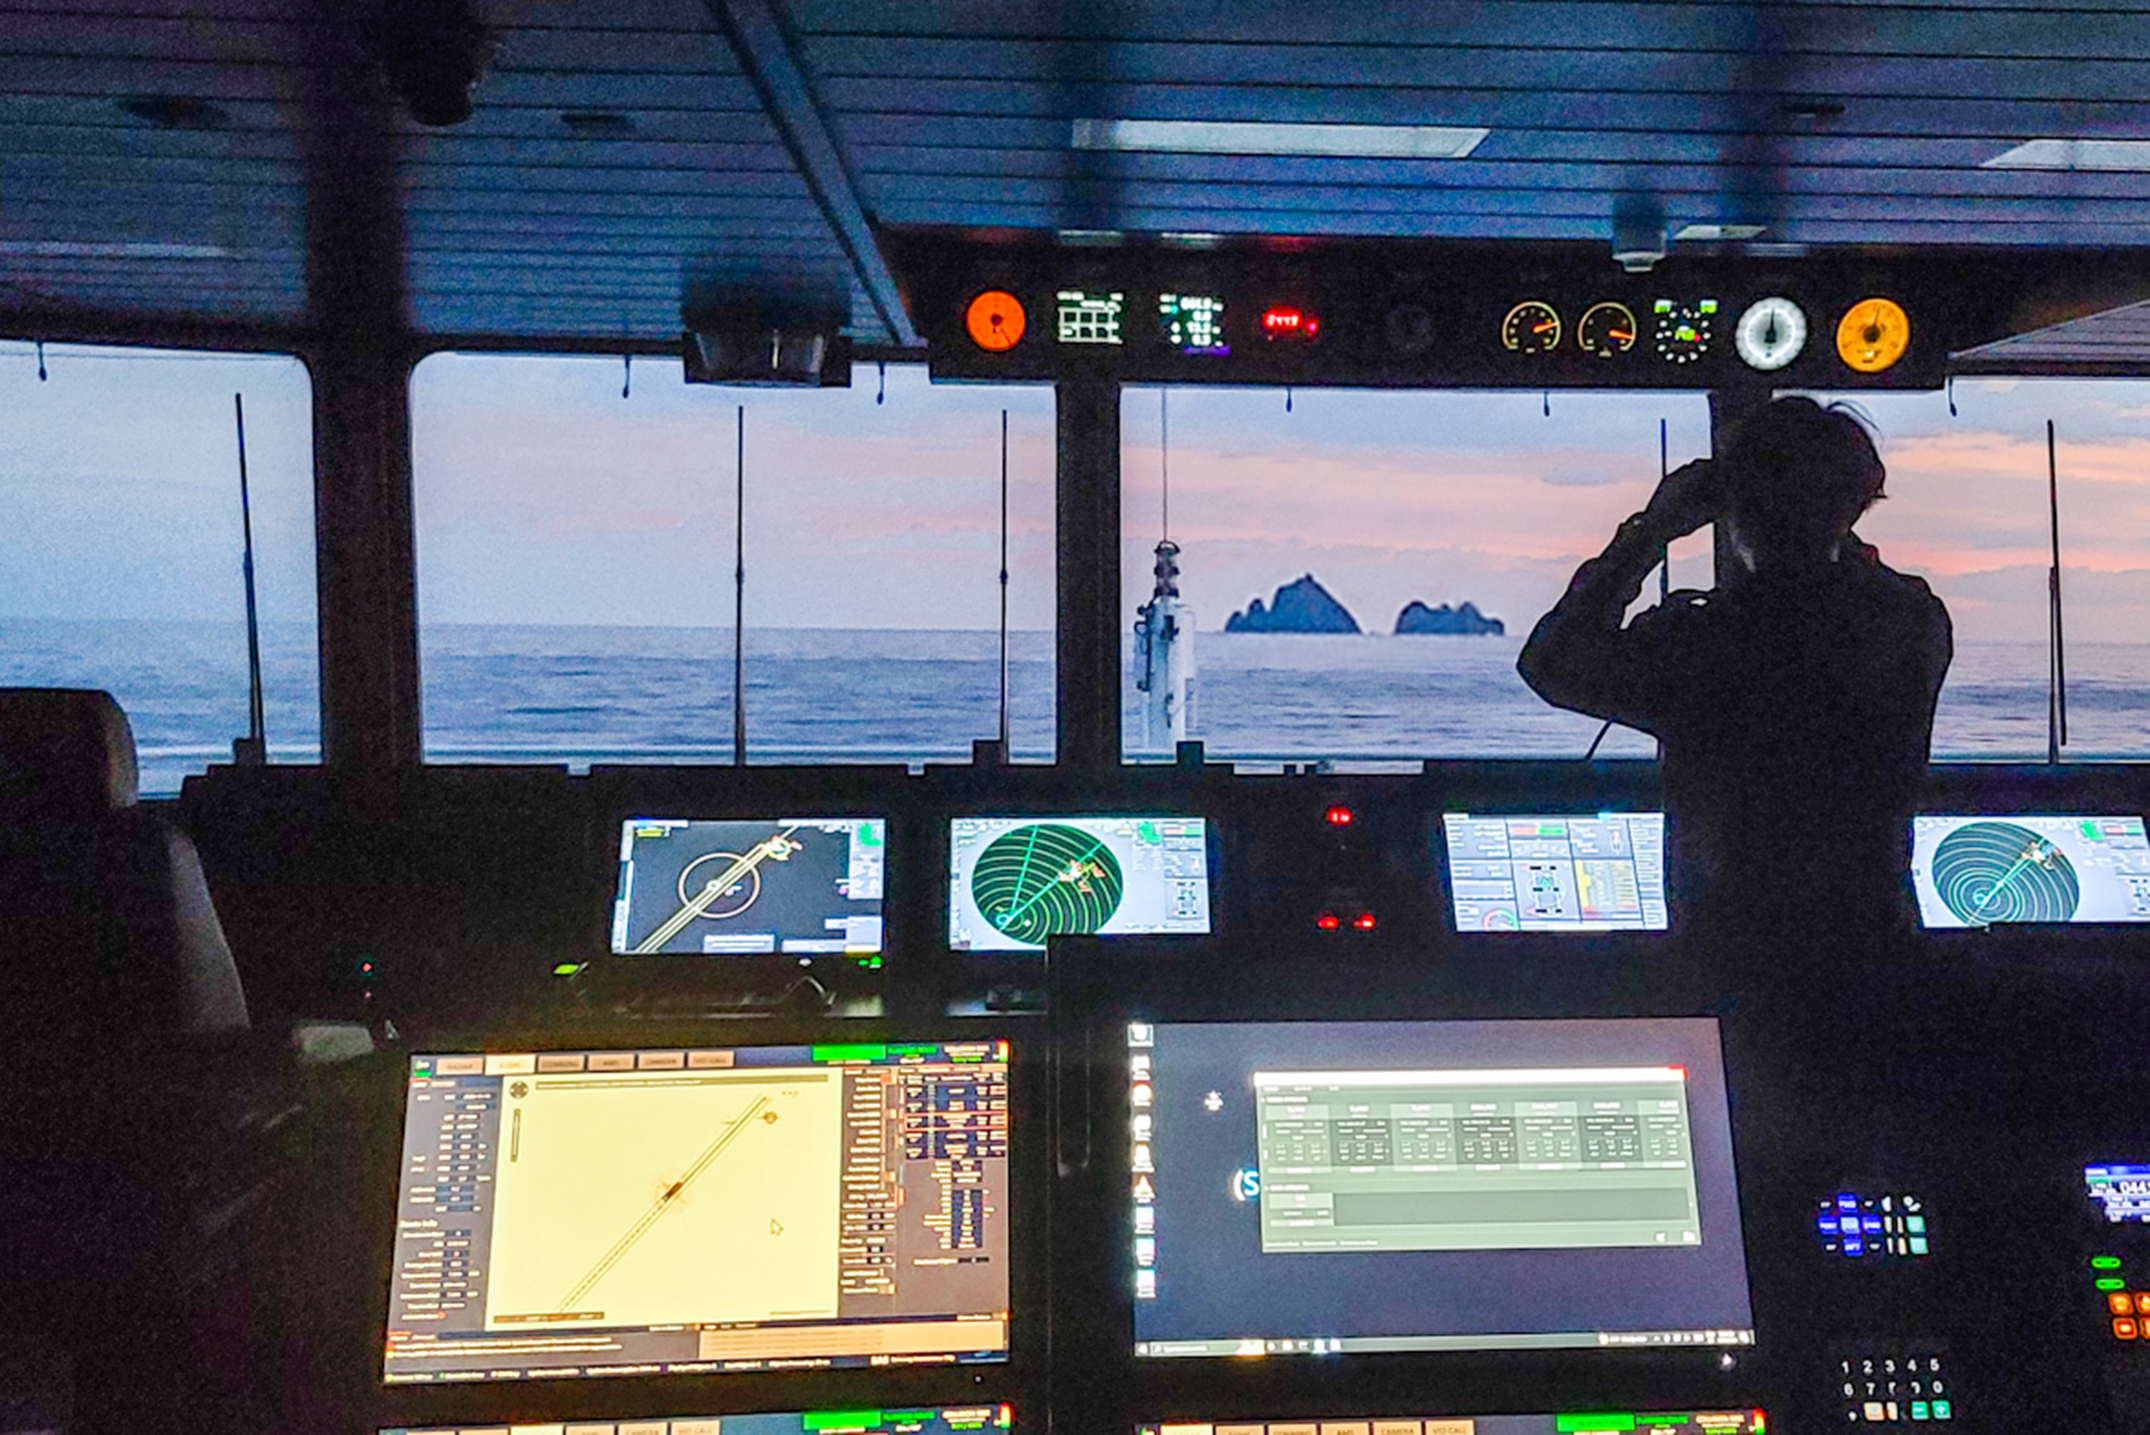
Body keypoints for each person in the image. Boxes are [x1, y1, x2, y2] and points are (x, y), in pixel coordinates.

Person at [1517, 396, 1952, 938]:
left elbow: (1551, 662)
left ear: (1736, 509)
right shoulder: (1912, 623)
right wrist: (1828, 514)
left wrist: (1650, 532)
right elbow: (1850, 587)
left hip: (1732, 944)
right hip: (1875, 932)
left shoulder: (1704, 642)